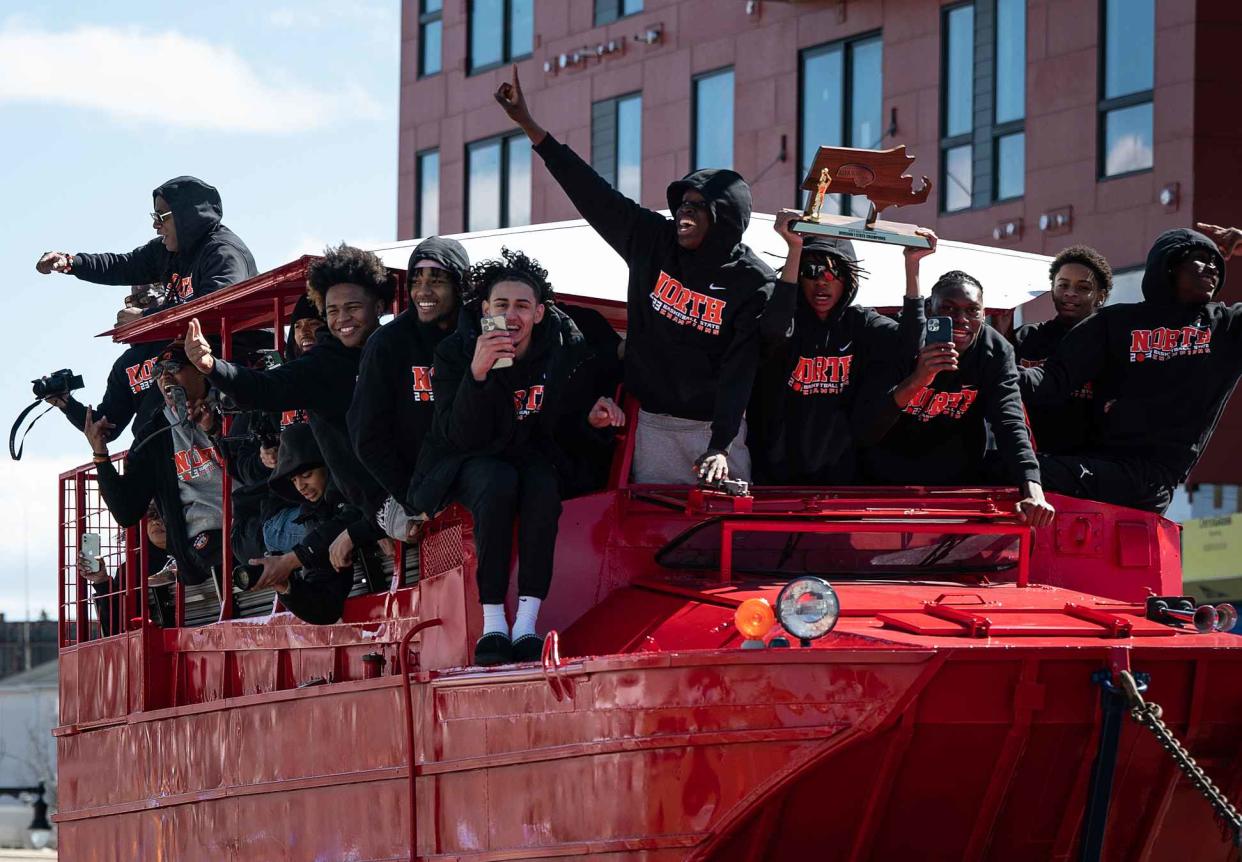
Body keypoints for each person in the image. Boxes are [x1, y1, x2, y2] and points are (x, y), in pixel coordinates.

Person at [494, 65, 773, 485]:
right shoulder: (652, 240)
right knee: (655, 537)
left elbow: (742, 370)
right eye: (682, 204)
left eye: (699, 207)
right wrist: (530, 126)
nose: (684, 213)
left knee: (723, 541)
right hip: (653, 423)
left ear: (726, 218)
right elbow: (593, 193)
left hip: (714, 431)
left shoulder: (753, 281)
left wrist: (721, 443)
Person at [408, 249, 624, 666]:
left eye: (522, 306)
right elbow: (459, 435)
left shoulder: (564, 348)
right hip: (467, 457)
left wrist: (591, 419)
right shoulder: (455, 352)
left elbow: (564, 423)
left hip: (530, 454)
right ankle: (493, 622)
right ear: (485, 308)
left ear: (540, 313)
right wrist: (478, 376)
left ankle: (526, 623)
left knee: (543, 485)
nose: (512, 316)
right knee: (496, 481)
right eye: (501, 305)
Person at [185, 243, 391, 573]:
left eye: (352, 307)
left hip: (407, 496)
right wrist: (213, 367)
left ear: (379, 305)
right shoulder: (324, 364)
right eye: (333, 312)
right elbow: (266, 389)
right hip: (354, 507)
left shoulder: (399, 349)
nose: (342, 320)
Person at [1026, 224, 1242, 513]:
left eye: (1216, 262)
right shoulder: (1115, 322)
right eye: (1201, 259)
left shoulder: (1226, 327)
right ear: (1170, 265)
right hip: (1098, 462)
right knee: (1001, 464)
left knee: (1015, 468)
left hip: (1150, 479)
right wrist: (994, 371)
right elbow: (1052, 379)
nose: (1212, 267)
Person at [856, 271, 1056, 526]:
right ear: (929, 308)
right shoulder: (898, 340)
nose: (961, 320)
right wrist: (919, 378)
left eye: (973, 311)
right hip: (880, 486)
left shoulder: (994, 351)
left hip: (955, 487)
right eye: (948, 309)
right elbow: (865, 428)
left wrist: (1033, 489)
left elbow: (1010, 422)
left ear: (984, 314)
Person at [749, 211, 932, 484]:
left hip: (840, 476)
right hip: (773, 476)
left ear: (847, 278)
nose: (822, 280)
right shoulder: (786, 321)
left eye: (832, 271)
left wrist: (912, 265)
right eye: (810, 271)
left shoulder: (860, 323)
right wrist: (794, 248)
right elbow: (774, 329)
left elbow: (909, 347)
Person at [348, 237, 469, 532]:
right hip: (426, 504)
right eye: (416, 281)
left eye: (436, 281)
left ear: (460, 285)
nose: (423, 292)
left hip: (477, 485)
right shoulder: (388, 343)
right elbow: (367, 435)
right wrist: (412, 498)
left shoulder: (478, 334)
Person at [85, 341, 226, 585]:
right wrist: (100, 454)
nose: (165, 378)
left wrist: (215, 430)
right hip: (201, 539)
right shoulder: (154, 433)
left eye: (174, 368)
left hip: (247, 519)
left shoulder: (233, 405)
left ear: (199, 368)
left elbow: (253, 467)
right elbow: (126, 511)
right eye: (158, 373)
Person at [35, 176, 257, 305]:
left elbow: (213, 307)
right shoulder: (166, 251)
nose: (155, 226)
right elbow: (122, 265)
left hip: (238, 358)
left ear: (186, 216)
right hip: (194, 355)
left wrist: (146, 317)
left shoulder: (223, 253)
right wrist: (70, 262)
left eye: (161, 217)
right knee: (125, 369)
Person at [248, 423, 377, 625]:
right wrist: (285, 585)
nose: (301, 486)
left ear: (328, 464)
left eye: (307, 475)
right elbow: (326, 608)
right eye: (293, 480)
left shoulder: (356, 478)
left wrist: (289, 561)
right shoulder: (313, 515)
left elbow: (354, 515)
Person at [1012, 246, 1113, 454]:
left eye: (1083, 288)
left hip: (1090, 466)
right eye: (1062, 285)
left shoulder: (1112, 343)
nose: (1070, 293)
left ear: (1100, 297)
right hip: (1032, 462)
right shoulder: (1026, 337)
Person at [47, 284, 169, 442]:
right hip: (155, 454)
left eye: (146, 299)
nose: (138, 307)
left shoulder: (188, 339)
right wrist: (67, 403)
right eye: (132, 303)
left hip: (197, 443)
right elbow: (108, 425)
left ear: (166, 299)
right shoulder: (125, 364)